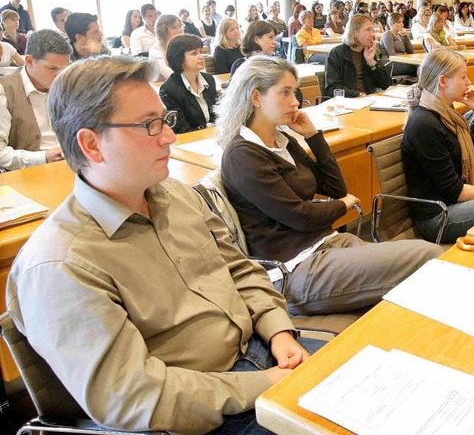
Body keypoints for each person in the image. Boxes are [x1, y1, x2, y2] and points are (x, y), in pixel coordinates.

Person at [7, 55, 323, 434]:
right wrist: (264, 385)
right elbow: (134, 397)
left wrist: (278, 331)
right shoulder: (61, 265)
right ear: (91, 145)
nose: (169, 136)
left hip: (260, 353)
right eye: (148, 125)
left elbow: (237, 268)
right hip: (197, 412)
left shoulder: (173, 194)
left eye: (165, 119)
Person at [217, 56, 443, 316]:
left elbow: (335, 187)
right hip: (296, 268)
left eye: (294, 92)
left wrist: (313, 136)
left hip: (328, 244)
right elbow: (300, 217)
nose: (295, 101)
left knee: (414, 286)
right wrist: (342, 206)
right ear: (256, 97)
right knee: (428, 257)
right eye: (285, 92)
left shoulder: (282, 140)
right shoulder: (242, 154)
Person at [402, 49, 474, 243]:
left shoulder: (450, 116)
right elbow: (454, 191)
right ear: (443, 81)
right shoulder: (424, 124)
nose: (468, 82)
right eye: (463, 77)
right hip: (437, 217)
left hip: (453, 205)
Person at [0, 29, 70, 170]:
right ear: (29, 61)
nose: (59, 76)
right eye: (52, 68)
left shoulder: (69, 84)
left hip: (72, 164)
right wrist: (44, 157)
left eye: (64, 69)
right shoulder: (5, 90)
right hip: (30, 172)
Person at [159, 35, 217, 133]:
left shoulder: (209, 79)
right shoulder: (169, 90)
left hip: (214, 135)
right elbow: (181, 129)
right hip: (191, 141)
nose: (201, 57)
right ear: (179, 59)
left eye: (200, 52)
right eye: (194, 53)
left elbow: (217, 114)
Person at [325, 14, 392, 97]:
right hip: (348, 102)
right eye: (368, 30)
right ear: (355, 33)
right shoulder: (337, 53)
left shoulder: (368, 52)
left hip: (369, 99)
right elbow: (332, 88)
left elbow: (387, 85)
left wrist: (372, 63)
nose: (372, 34)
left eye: (372, 30)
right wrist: (357, 94)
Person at [148, 14, 184, 82]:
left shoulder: (183, 46)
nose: (180, 30)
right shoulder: (155, 51)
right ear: (163, 32)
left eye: (180, 26)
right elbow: (170, 74)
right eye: (174, 28)